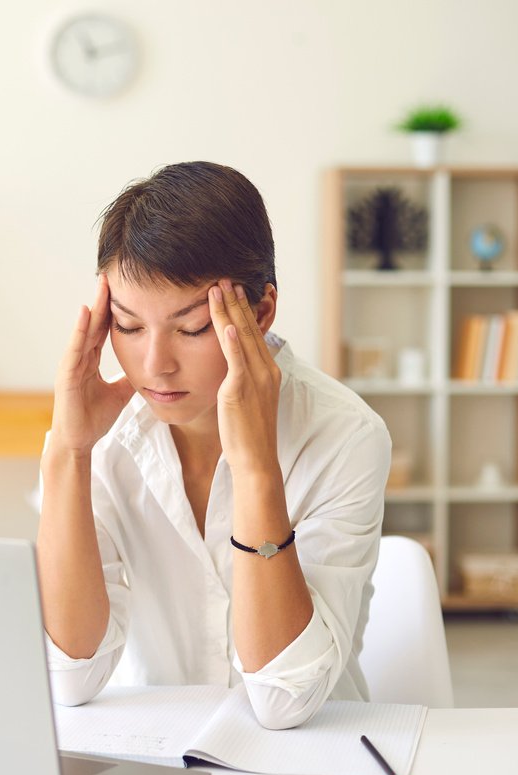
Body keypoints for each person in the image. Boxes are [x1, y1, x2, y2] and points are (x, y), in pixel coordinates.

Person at [37, 161, 391, 729]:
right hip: (155, 751)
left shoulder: (345, 436)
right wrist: (67, 453)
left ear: (261, 312)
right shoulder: (103, 437)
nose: (156, 364)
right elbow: (69, 677)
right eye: (128, 327)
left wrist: (255, 470)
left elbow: (283, 702)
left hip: (308, 765)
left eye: (193, 328)